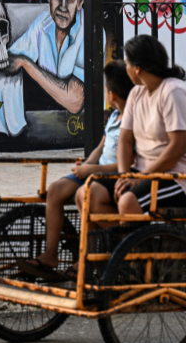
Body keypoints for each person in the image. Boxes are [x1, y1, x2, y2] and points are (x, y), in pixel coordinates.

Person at [16, 60, 134, 281]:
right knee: (55, 190)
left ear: (111, 94)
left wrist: (91, 171)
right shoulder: (114, 117)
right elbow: (101, 148)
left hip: (110, 176)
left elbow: (127, 165)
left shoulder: (133, 120)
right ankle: (50, 255)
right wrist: (87, 164)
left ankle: (86, 257)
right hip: (95, 172)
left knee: (86, 196)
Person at [83, 35, 186, 223]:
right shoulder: (136, 93)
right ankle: (120, 240)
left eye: (127, 64)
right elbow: (125, 139)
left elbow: (179, 146)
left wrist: (142, 177)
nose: (125, 68)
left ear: (137, 68)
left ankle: (135, 242)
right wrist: (124, 176)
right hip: (143, 172)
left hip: (181, 178)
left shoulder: (173, 92)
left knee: (128, 201)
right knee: (88, 194)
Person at [8, 0, 103, 115]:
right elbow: (12, 58)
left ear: (80, 0)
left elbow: (75, 101)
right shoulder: (43, 23)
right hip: (49, 118)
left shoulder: (91, 30)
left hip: (83, 125)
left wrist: (27, 64)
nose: (63, 5)